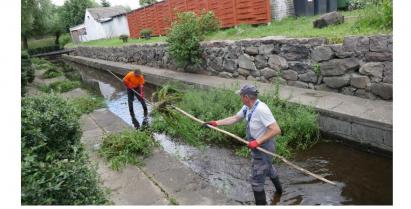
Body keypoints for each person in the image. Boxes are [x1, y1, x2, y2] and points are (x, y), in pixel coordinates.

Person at [204, 84, 283, 205]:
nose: (240, 97)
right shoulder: (247, 107)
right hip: (258, 147)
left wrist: (257, 141)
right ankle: (280, 192)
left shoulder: (261, 109)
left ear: (246, 97)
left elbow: (276, 129)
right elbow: (235, 118)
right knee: (268, 169)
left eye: (241, 95)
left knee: (257, 181)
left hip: (264, 148)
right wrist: (215, 123)